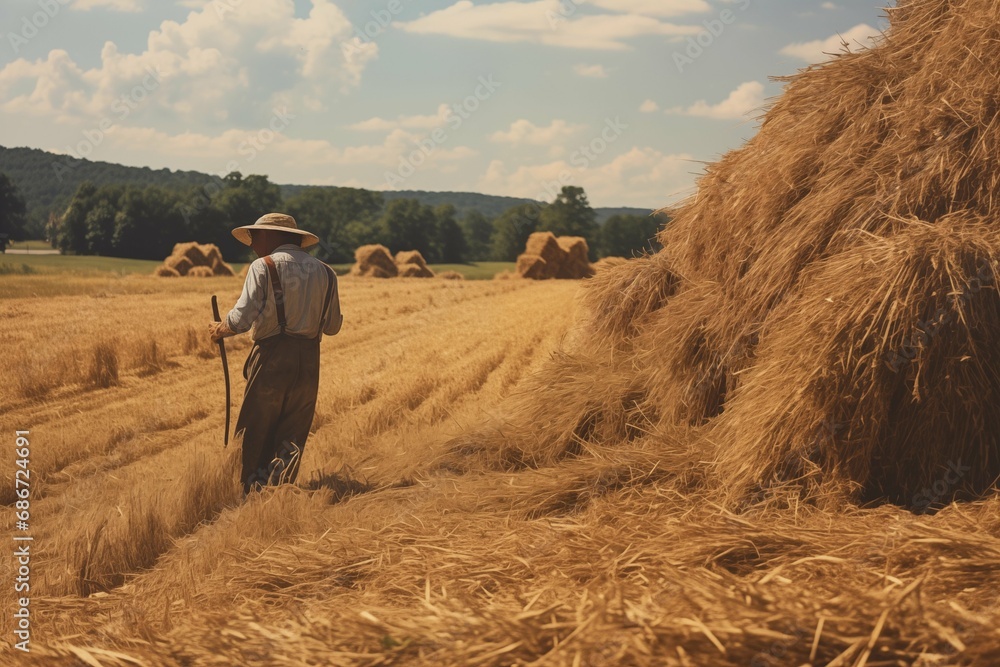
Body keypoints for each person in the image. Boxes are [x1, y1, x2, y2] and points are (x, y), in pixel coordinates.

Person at [209, 213, 343, 495]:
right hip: (309, 362)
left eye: (255, 236)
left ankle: (247, 494)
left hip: (272, 358)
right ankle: (280, 494)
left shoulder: (263, 266)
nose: (251, 243)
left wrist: (220, 328)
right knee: (292, 436)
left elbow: (241, 320)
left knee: (255, 431)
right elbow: (332, 327)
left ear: (271, 235)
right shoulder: (327, 272)